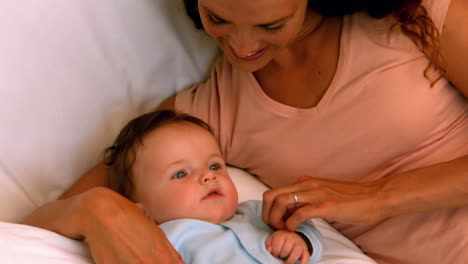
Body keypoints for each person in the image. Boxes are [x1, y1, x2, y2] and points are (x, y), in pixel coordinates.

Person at [23, 0, 468, 263]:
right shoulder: (208, 114)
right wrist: (94, 208)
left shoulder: (418, 18)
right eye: (217, 18)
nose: (242, 46)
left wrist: (374, 196)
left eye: (271, 25)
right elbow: (31, 231)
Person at [103, 109, 323, 264]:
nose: (208, 175)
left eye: (215, 165)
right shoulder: (164, 239)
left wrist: (299, 240)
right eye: (181, 173)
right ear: (140, 210)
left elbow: (301, 224)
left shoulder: (259, 212)